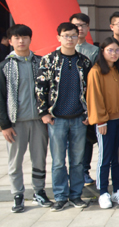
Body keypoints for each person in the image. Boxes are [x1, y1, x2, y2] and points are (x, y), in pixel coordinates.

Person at [0, 24, 52, 212]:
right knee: (15, 161)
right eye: (17, 38)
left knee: (39, 159)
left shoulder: (41, 63)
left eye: (24, 37)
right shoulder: (4, 66)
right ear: (10, 41)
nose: (21, 41)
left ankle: (39, 191)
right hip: (15, 123)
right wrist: (4, 125)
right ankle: (17, 194)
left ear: (30, 39)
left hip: (38, 121)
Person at [36, 22, 93, 211]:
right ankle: (60, 196)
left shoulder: (84, 62)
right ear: (58, 38)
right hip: (56, 118)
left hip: (79, 118)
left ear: (78, 37)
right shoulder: (49, 60)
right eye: (66, 36)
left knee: (77, 161)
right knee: (59, 161)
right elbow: (40, 87)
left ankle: (76, 195)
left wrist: (89, 113)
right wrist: (44, 112)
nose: (70, 39)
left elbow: (90, 91)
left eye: (73, 35)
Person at [87, 37, 119, 209]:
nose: (114, 54)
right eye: (110, 50)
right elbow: (94, 97)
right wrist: (101, 120)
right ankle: (103, 191)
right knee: (105, 157)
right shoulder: (96, 71)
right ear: (102, 51)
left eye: (117, 50)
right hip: (106, 121)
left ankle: (117, 190)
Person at [71, 13, 98, 185]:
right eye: (76, 25)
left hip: (86, 103)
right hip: (68, 104)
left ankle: (85, 171)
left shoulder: (94, 51)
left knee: (87, 140)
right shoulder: (61, 51)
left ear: (88, 27)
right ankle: (72, 173)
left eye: (82, 25)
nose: (79, 29)